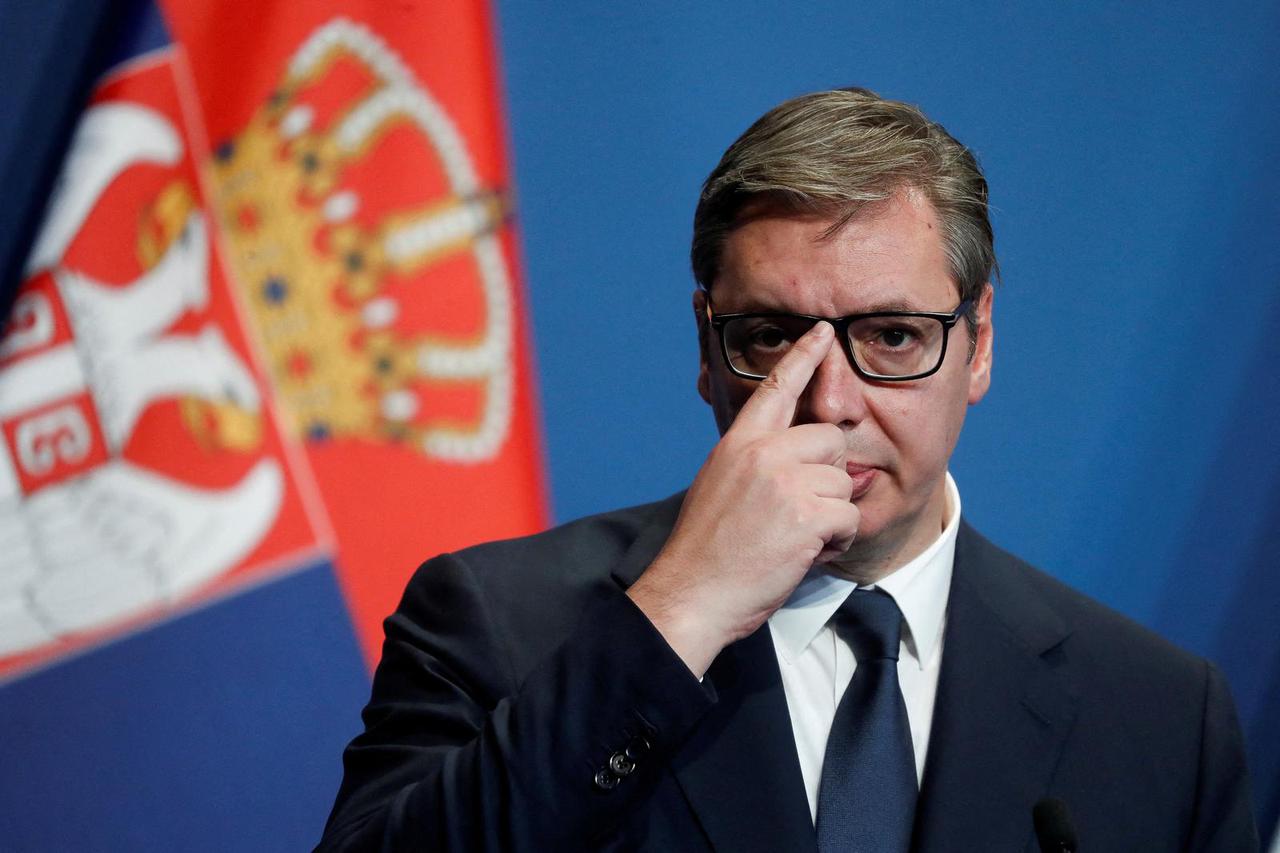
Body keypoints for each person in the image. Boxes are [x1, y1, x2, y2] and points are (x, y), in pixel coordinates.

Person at [317, 88, 1259, 852]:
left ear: (978, 346)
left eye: (893, 335)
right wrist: (677, 612)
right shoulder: (498, 623)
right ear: (705, 343)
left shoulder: (1163, 719)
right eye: (772, 337)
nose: (831, 402)